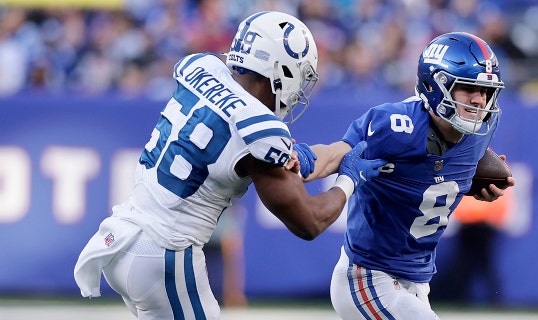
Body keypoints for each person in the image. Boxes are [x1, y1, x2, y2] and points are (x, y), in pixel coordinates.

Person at [73, 11, 386, 320]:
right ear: (281, 70)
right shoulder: (257, 130)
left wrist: (341, 150)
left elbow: (284, 161)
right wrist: (349, 181)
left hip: (123, 234)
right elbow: (309, 222)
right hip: (165, 252)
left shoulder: (202, 69)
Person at [297, 32, 516, 319]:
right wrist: (294, 160)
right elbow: (336, 155)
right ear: (435, 86)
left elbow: (447, 165)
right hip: (368, 275)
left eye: (486, 92)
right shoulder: (397, 126)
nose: (479, 101)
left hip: (417, 281)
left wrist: (474, 184)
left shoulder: (484, 127)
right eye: (468, 88)